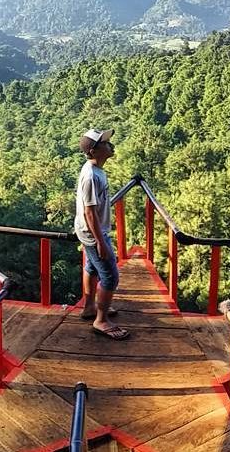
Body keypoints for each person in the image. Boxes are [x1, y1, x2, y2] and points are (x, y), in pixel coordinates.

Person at [74, 128, 129, 340]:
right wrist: (101, 242)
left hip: (90, 230)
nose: (110, 145)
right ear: (94, 150)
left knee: (91, 266)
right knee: (110, 276)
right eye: (105, 143)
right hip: (92, 232)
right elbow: (90, 211)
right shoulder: (91, 176)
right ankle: (101, 320)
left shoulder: (96, 170)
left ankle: (89, 307)